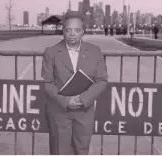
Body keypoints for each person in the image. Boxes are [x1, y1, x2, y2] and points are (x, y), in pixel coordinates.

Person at [41, 11, 108, 155]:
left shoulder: (95, 51)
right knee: (60, 151)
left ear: (83, 31)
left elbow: (102, 80)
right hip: (59, 112)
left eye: (77, 30)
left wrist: (82, 99)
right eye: (68, 30)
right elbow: (47, 84)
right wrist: (65, 101)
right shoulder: (51, 52)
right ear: (63, 31)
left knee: (82, 151)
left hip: (84, 112)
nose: (72, 34)